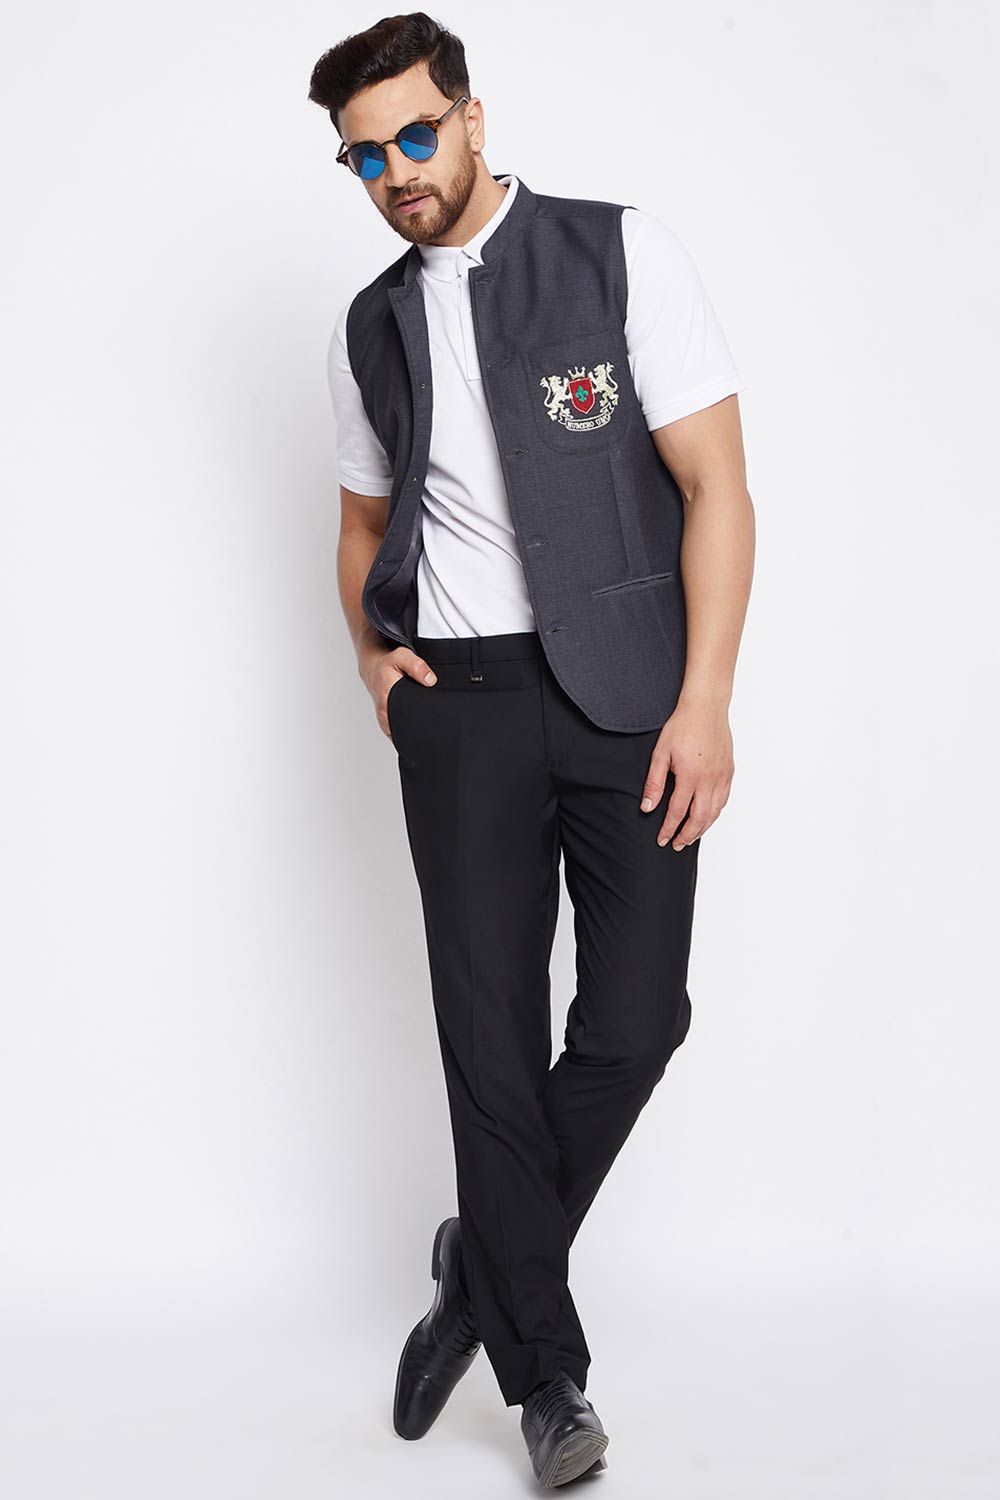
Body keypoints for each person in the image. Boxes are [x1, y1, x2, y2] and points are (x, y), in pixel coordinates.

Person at [309, 10, 754, 1488]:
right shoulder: (368, 327)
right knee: (487, 1033)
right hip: (464, 705)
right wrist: (373, 658)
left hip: (630, 694)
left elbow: (719, 488)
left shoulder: (619, 252)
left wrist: (706, 700)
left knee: (636, 1019)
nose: (396, 170)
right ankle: (548, 1379)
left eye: (415, 135)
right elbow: (363, 523)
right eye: (364, 155)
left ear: (473, 117)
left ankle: (481, 1270)